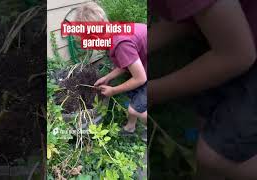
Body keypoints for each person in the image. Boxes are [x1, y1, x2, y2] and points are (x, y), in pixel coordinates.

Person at [150, 0, 257, 179]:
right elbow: (189, 14)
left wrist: (151, 93)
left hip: (241, 47)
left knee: (212, 156)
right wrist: (137, 45)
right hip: (237, 32)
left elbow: (237, 56)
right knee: (206, 124)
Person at [75, 2, 148, 141]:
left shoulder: (121, 44)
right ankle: (130, 127)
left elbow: (140, 78)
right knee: (135, 101)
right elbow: (126, 63)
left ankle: (147, 128)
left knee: (135, 109)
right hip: (141, 64)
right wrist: (107, 77)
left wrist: (113, 91)